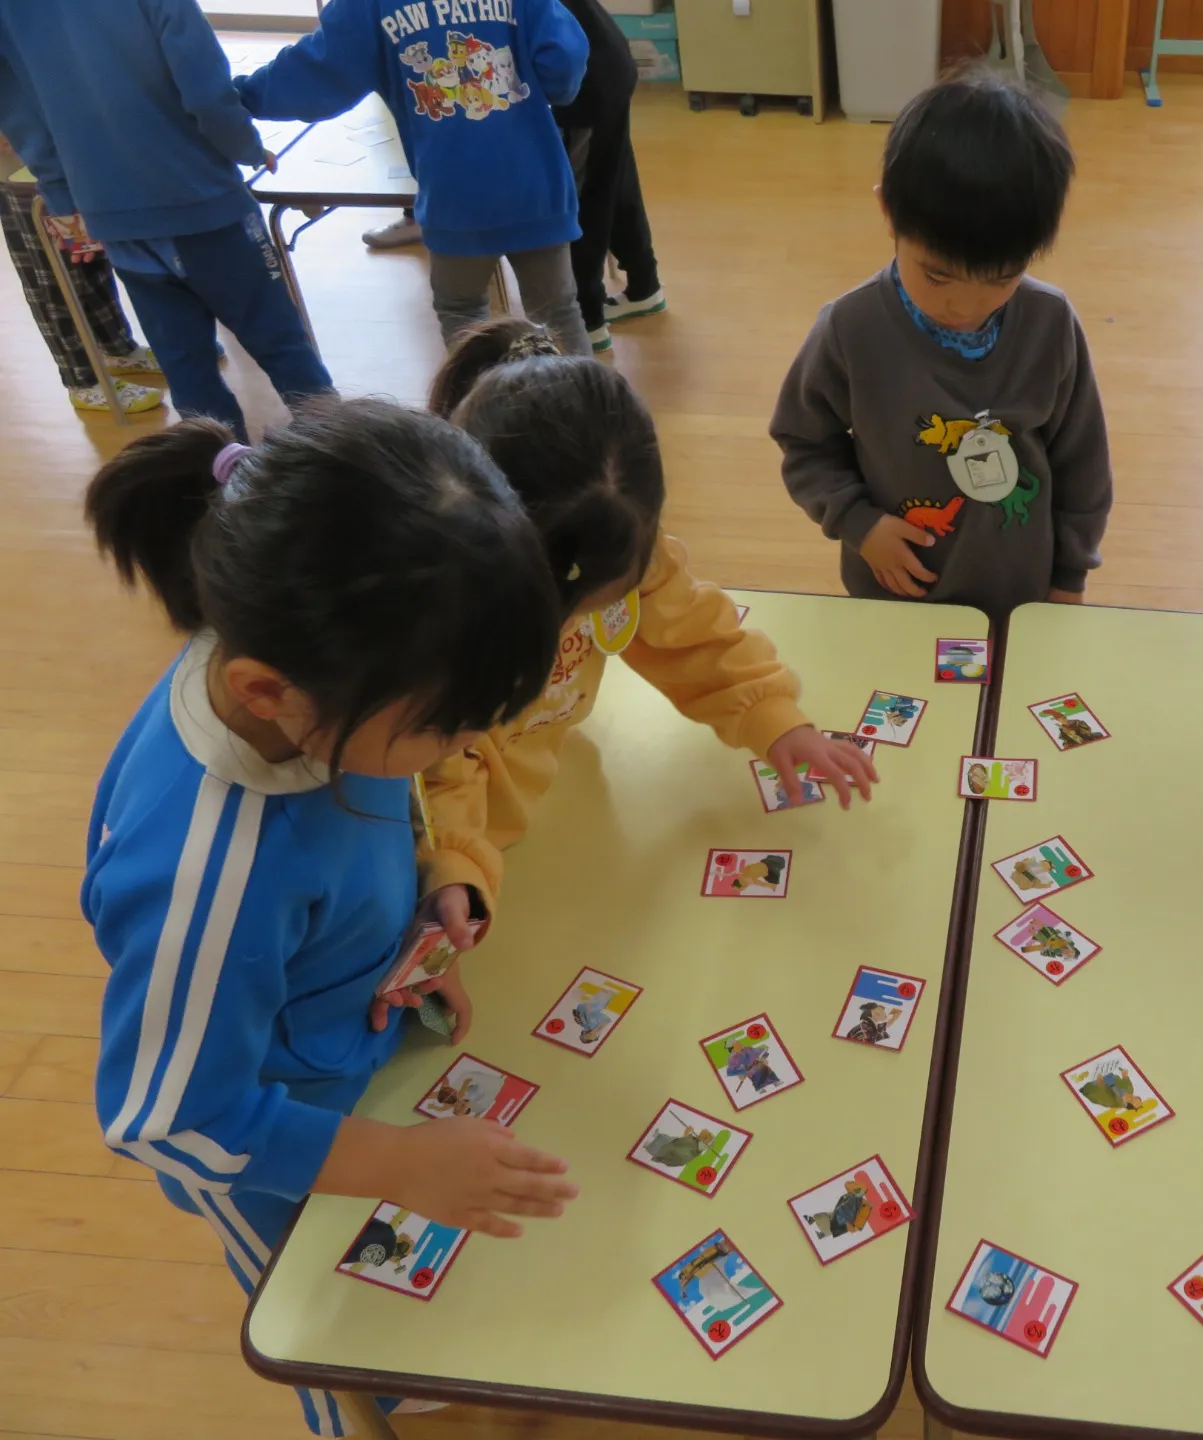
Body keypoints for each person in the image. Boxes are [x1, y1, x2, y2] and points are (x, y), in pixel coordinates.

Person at [82, 400, 578, 1437]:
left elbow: (372, 805)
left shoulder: (325, 674)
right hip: (270, 1152)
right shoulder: (209, 877)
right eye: (444, 728)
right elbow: (169, 1121)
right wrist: (401, 1165)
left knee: (409, 1313)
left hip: (358, 1055)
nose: (462, 754)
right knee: (325, 1334)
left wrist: (425, 896)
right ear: (269, 693)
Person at [406, 320, 875, 956]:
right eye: (556, 610)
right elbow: (432, 766)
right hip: (438, 846)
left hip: (547, 808)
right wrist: (453, 859)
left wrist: (775, 718)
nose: (564, 627)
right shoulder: (438, 617)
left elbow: (694, 635)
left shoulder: (617, 543)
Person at [770, 69, 1112, 615]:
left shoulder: (1050, 323)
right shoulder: (851, 329)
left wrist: (1071, 574)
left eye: (1001, 279)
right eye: (936, 276)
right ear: (888, 213)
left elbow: (1083, 463)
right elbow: (805, 441)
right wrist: (859, 522)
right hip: (894, 596)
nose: (964, 307)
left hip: (1021, 597)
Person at [0, 0, 333, 440]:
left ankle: (219, 471)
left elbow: (21, 117)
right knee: (283, 347)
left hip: (113, 216)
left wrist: (63, 197)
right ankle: (343, 456)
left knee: (187, 370)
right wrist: (246, 146)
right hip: (203, 203)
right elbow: (206, 93)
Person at [234, 0, 596, 356]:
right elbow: (563, 59)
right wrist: (549, 88)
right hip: (535, 184)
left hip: (453, 193)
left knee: (464, 314)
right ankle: (582, 396)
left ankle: (480, 395)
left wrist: (241, 97)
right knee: (557, 313)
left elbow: (315, 71)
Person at [0, 132, 164, 414]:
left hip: (60, 161)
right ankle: (82, 381)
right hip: (17, 175)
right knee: (53, 281)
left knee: (91, 263)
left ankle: (118, 349)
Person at [554, 0, 665, 351]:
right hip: (607, 61)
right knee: (614, 182)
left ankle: (587, 320)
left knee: (583, 197)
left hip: (584, 84)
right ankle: (644, 286)